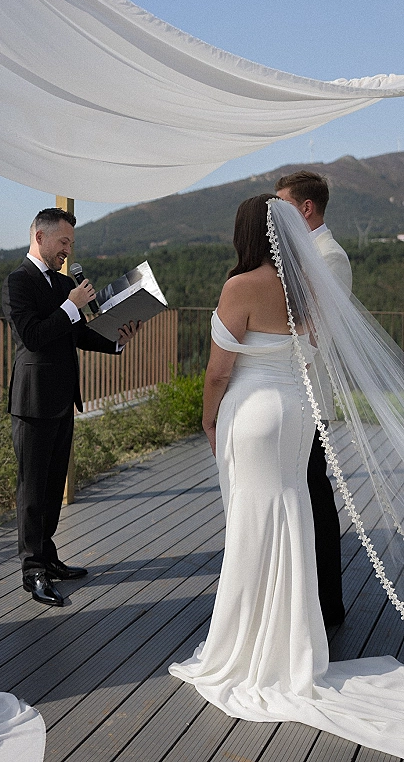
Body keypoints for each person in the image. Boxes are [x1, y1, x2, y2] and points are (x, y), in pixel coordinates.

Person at [169, 194, 404, 756]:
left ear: (245, 232)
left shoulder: (240, 286)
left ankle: (251, 646)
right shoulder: (308, 285)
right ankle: (295, 639)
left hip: (253, 412)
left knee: (253, 520)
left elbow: (217, 372)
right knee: (293, 512)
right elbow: (313, 347)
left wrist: (207, 421)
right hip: (297, 410)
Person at [2, 208, 140, 607]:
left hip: (64, 398)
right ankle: (33, 572)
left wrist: (117, 339)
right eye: (63, 242)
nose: (67, 250)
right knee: (32, 490)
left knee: (52, 485)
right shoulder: (18, 281)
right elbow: (32, 337)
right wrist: (71, 304)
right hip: (32, 401)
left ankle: (49, 557)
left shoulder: (64, 282)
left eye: (71, 244)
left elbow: (76, 334)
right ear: (40, 237)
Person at [275, 170, 351, 628]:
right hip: (287, 391)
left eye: (282, 203)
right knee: (298, 492)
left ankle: (329, 602)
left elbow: (321, 331)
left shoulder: (331, 256)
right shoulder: (299, 253)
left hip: (308, 393)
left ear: (305, 207)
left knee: (315, 493)